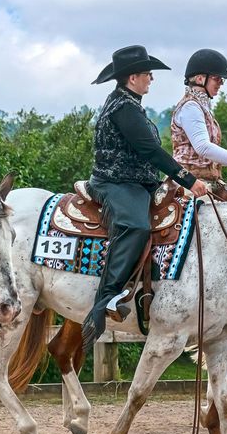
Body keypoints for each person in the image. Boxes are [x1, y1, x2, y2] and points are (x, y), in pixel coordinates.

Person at [83, 45, 212, 344]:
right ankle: (108, 298)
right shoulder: (123, 107)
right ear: (132, 78)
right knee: (137, 227)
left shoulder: (130, 103)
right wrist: (187, 179)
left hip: (139, 182)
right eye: (147, 74)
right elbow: (150, 150)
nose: (151, 78)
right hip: (116, 183)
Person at [170, 49, 227, 183]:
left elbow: (201, 157)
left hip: (207, 182)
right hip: (188, 184)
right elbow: (203, 147)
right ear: (200, 78)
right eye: (217, 79)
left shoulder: (202, 106)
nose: (220, 83)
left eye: (221, 80)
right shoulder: (190, 107)